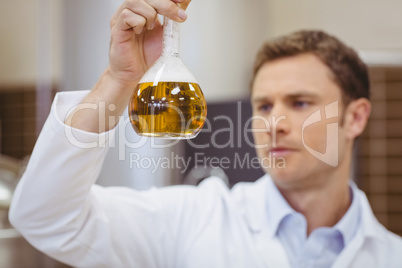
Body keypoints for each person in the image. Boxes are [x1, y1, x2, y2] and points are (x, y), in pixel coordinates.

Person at [9, 0, 402, 267]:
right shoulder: (195, 218)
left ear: (355, 118)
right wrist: (119, 79)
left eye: (300, 103)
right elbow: (45, 217)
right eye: (264, 105)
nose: (273, 122)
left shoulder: (391, 257)